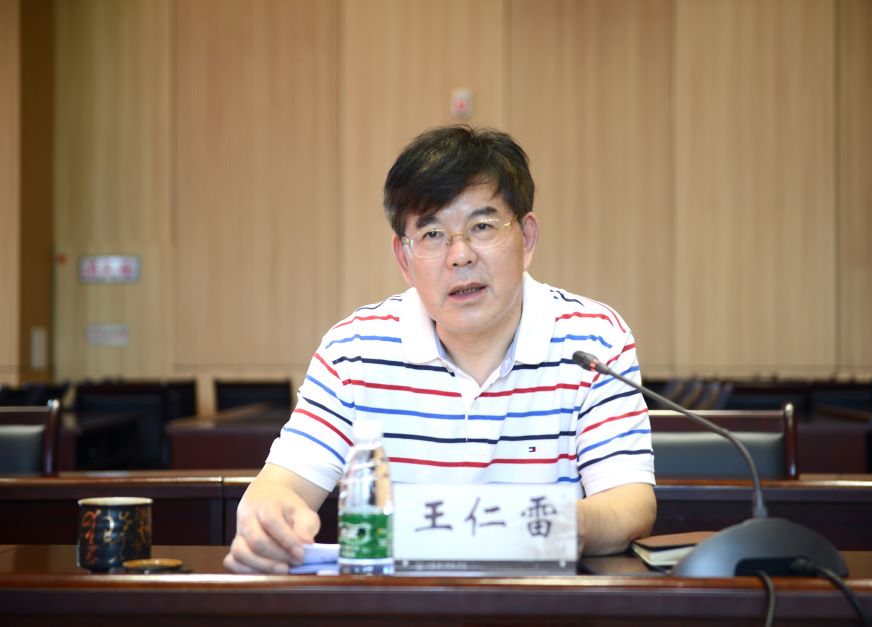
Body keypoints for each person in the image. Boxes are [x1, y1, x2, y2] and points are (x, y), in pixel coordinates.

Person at [224, 125, 656, 574]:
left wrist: (545, 525)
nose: (460, 255)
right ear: (403, 258)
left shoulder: (594, 339)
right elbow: (282, 485)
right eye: (432, 234)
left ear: (526, 238)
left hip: (541, 601)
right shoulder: (353, 350)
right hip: (401, 605)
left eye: (482, 227)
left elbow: (630, 503)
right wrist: (267, 520)